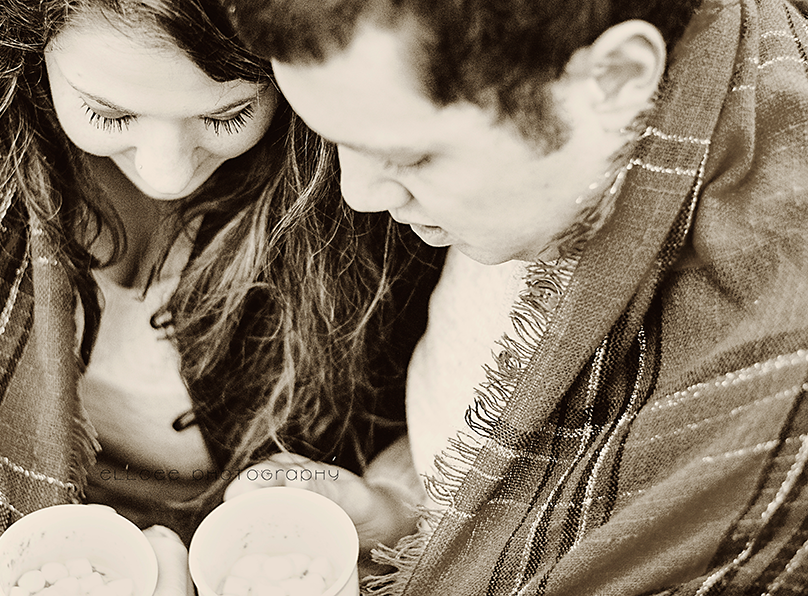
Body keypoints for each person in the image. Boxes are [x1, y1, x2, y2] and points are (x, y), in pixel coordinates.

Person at [222, 0, 808, 594]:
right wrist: (395, 511)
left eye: (408, 157)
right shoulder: (562, 164)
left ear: (615, 78)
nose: (358, 194)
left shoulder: (773, 388)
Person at [0, 0, 439, 593]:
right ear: (26, 35)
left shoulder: (377, 177)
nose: (167, 174)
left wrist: (389, 505)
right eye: (108, 114)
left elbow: (465, 404)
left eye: (228, 115)